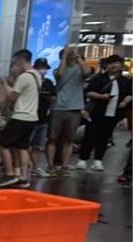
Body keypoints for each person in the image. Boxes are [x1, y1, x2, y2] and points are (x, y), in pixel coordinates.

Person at [78, 54, 132, 171]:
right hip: (96, 111)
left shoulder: (125, 81)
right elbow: (88, 92)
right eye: (110, 63)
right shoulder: (99, 78)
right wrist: (101, 96)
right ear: (106, 65)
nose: (113, 65)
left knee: (105, 136)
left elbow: (129, 94)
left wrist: (126, 100)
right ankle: (83, 159)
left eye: (116, 63)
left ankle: (98, 160)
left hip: (113, 113)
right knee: (89, 135)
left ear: (120, 65)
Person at [0, 49, 41, 188]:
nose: (14, 66)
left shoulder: (24, 77)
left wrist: (5, 84)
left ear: (21, 61)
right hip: (32, 116)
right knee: (22, 146)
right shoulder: (37, 75)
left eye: (15, 63)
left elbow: (12, 97)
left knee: (2, 143)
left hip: (20, 116)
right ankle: (23, 177)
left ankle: (9, 174)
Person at [48, 46, 88, 175]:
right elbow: (59, 75)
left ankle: (65, 166)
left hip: (75, 108)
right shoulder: (58, 70)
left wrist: (78, 57)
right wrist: (64, 56)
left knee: (69, 138)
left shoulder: (80, 69)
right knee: (52, 138)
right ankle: (51, 165)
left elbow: (87, 72)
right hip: (58, 107)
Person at [29, 58, 56, 177]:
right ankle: (20, 167)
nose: (42, 70)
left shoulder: (48, 83)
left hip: (43, 117)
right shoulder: (30, 80)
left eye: (44, 68)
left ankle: (36, 168)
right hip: (29, 117)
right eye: (39, 67)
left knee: (37, 146)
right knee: (24, 145)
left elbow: (53, 98)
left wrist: (47, 96)